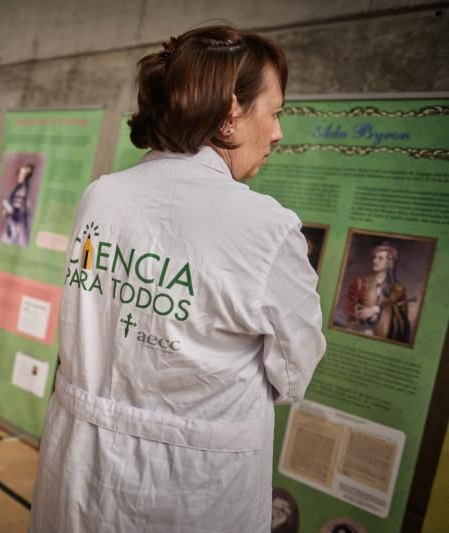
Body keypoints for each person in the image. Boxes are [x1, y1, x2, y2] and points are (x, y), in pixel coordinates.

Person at [30, 25, 326, 532]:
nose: (277, 132)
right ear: (232, 116)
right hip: (193, 491)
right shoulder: (266, 229)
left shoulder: (101, 196)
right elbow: (295, 372)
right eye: (274, 113)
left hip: (79, 470)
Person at [343, 242, 410, 342]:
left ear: (389, 262)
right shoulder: (359, 282)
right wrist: (362, 312)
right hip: (358, 333)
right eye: (374, 257)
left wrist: (377, 310)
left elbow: (402, 319)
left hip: (382, 339)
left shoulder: (398, 289)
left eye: (380, 258)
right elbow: (349, 304)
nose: (375, 260)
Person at [0, 163, 34, 246]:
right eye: (19, 172)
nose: (18, 175)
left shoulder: (22, 190)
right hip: (12, 223)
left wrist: (7, 206)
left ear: (25, 176)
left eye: (21, 174)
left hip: (16, 226)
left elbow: (17, 212)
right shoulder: (19, 187)